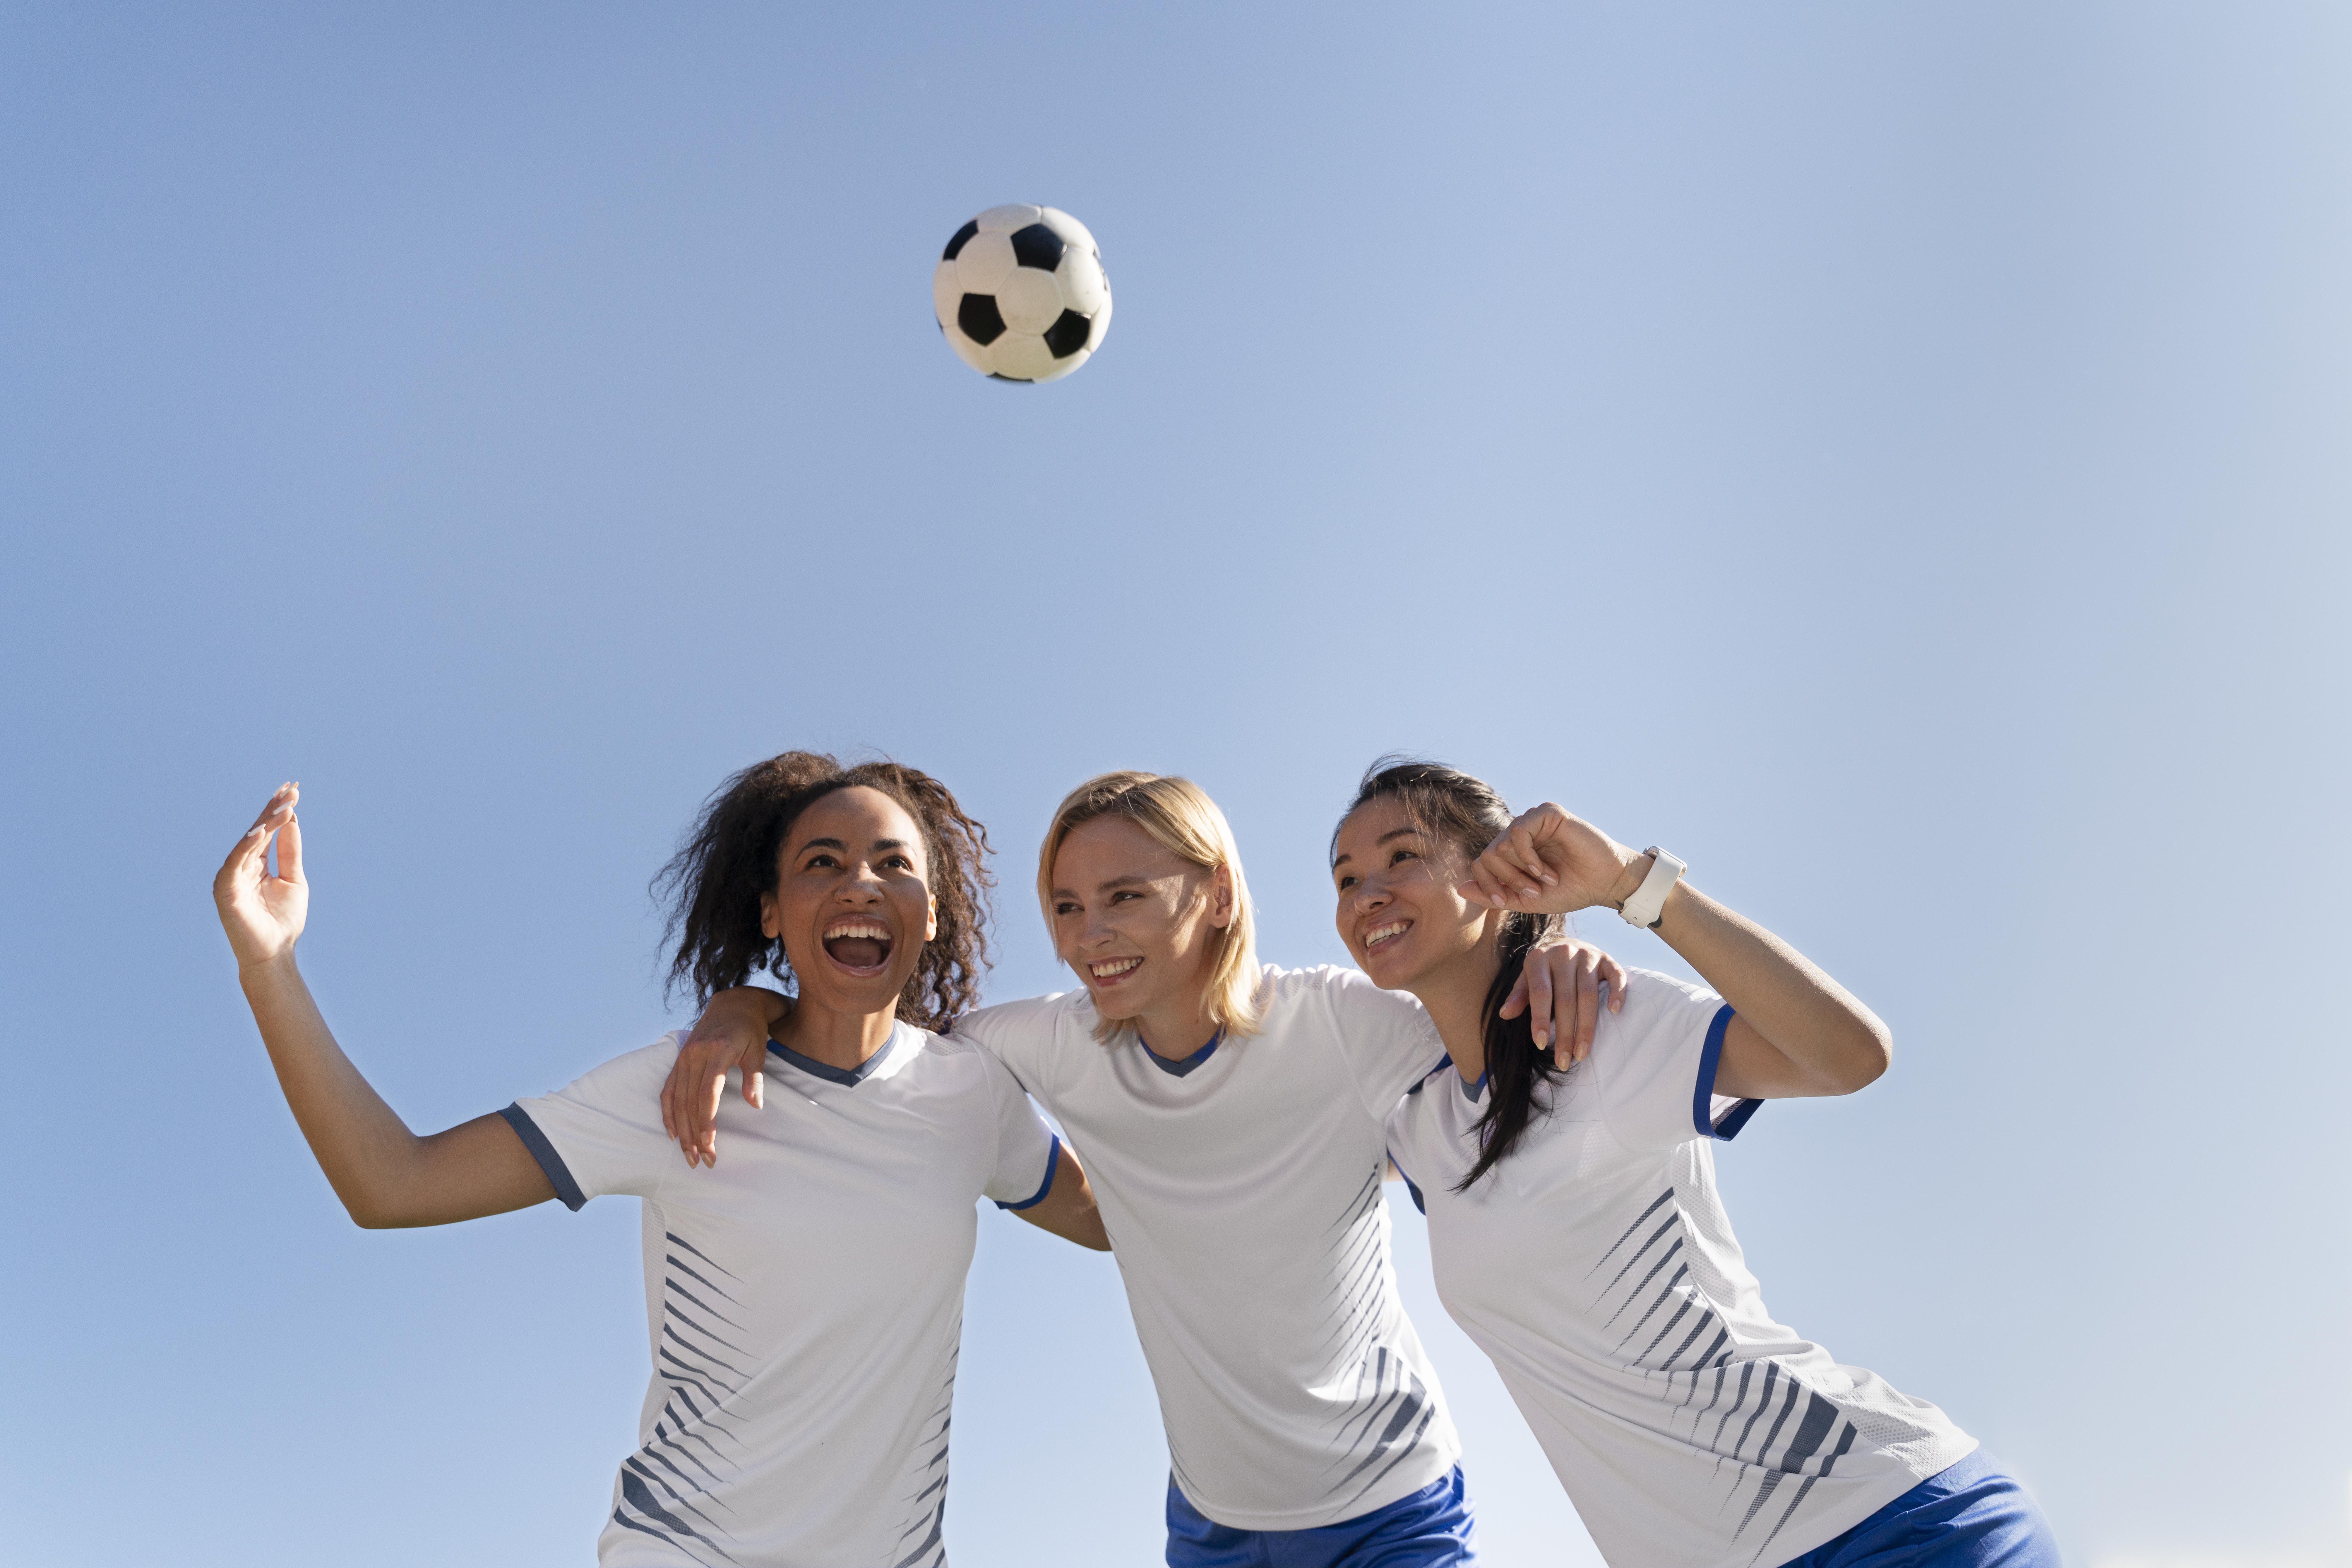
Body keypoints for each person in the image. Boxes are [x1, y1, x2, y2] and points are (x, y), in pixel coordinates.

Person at [663, 771, 1628, 1568]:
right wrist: (745, 1006)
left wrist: (1552, 954)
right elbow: (866, 1036)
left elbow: (1480, 1015)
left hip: (1387, 1509)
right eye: (1068, 908)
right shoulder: (1049, 1042)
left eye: (1124, 897)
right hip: (1209, 1526)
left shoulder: (1338, 1024)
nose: (1090, 937)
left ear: (1215, 892)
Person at [212, 758, 1107, 1568]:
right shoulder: (681, 1084)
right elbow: (392, 1183)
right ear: (771, 910)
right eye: (822, 863)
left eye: (893, 863)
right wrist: (270, 964)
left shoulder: (975, 1096)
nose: (860, 885)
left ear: (934, 909)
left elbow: (1116, 1222)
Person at [1331, 758, 2062, 1568]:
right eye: (1346, 876)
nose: (1368, 895)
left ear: (1494, 872)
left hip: (1889, 1525)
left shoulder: (1603, 1026)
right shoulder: (1423, 1124)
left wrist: (1635, 887)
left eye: (1403, 857)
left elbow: (1849, 1056)